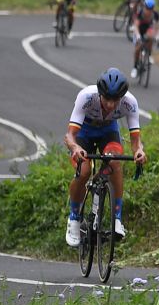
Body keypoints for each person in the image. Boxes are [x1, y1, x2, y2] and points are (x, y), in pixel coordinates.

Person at [63, 69, 146, 246]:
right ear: (99, 94)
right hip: (83, 133)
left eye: (115, 100)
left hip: (108, 132)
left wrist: (139, 151)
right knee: (84, 171)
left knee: (115, 162)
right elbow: (69, 135)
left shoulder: (130, 103)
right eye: (106, 99)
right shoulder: (86, 96)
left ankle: (116, 218)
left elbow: (136, 141)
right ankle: (74, 218)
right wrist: (75, 147)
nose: (110, 104)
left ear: (122, 97)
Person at [131, 0, 159, 79]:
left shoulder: (155, 15)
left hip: (148, 30)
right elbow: (136, 26)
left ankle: (149, 54)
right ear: (144, 7)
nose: (148, 11)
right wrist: (138, 35)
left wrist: (157, 36)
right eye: (147, 8)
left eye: (150, 9)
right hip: (139, 30)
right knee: (137, 48)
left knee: (150, 37)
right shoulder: (140, 13)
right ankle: (135, 67)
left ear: (153, 9)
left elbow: (157, 27)